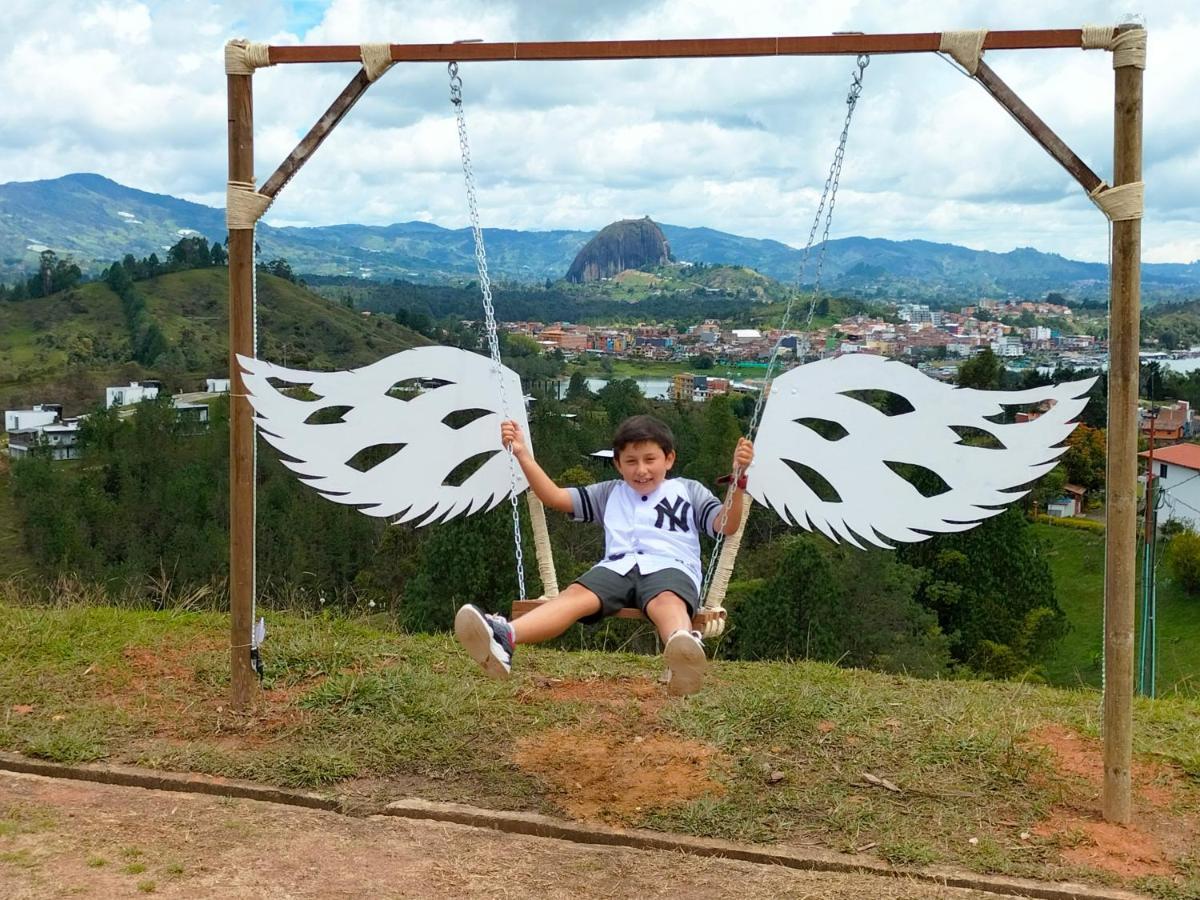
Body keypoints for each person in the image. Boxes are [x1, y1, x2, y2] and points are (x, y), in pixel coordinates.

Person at [454, 413, 754, 696]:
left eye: (650, 459)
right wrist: (522, 454)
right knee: (574, 596)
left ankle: (683, 650)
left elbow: (725, 525)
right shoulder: (609, 493)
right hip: (617, 567)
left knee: (668, 600)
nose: (641, 470)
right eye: (631, 461)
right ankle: (505, 637)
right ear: (618, 464)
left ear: (669, 459)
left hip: (671, 566)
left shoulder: (689, 491)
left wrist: (738, 483)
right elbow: (555, 497)